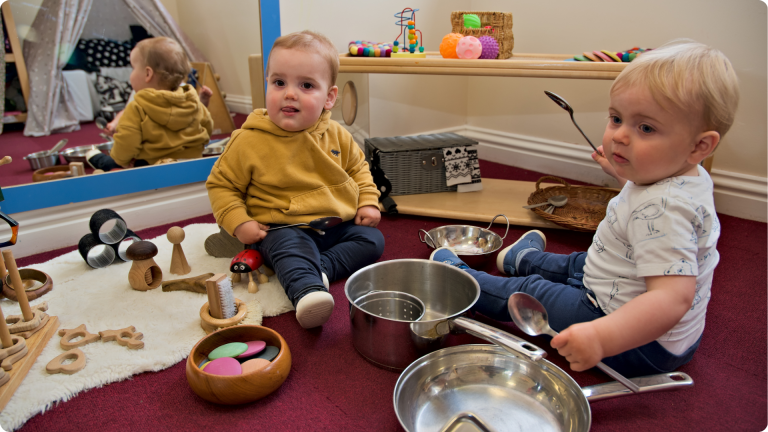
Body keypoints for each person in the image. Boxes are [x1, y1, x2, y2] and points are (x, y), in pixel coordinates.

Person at [431, 40, 739, 377]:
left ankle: (464, 281)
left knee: (531, 293)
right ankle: (522, 259)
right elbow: (645, 211)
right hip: (651, 322)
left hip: (633, 339)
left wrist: (601, 337)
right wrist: (622, 174)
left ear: (699, 145)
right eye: (616, 118)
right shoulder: (687, 175)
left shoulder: (665, 208)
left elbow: (671, 300)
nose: (620, 136)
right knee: (581, 261)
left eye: (645, 128)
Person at [206, 30, 384, 329]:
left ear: (329, 97)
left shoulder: (338, 134)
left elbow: (359, 170)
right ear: (267, 85)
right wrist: (239, 222)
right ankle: (308, 292)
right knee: (289, 248)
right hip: (283, 227)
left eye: (306, 85)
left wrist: (368, 202)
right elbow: (221, 185)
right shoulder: (248, 141)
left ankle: (320, 269)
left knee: (372, 240)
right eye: (279, 82)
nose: (290, 93)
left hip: (335, 225)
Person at [86, 37, 213, 171]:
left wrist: (121, 160)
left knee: (111, 162)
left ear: (148, 73)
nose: (131, 74)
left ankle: (95, 157)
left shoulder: (137, 107)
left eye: (133, 68)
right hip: (191, 164)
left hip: (150, 170)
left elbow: (126, 143)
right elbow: (207, 128)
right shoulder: (193, 101)